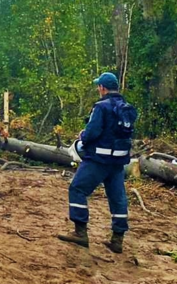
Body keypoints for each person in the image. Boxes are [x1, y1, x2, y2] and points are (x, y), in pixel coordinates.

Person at [57, 72, 137, 254]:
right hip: (118, 161)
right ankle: (117, 240)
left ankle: (80, 233)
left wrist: (82, 138)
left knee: (77, 189)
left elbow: (92, 132)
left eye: (98, 86)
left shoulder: (101, 107)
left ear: (102, 88)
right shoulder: (126, 108)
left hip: (98, 159)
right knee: (118, 198)